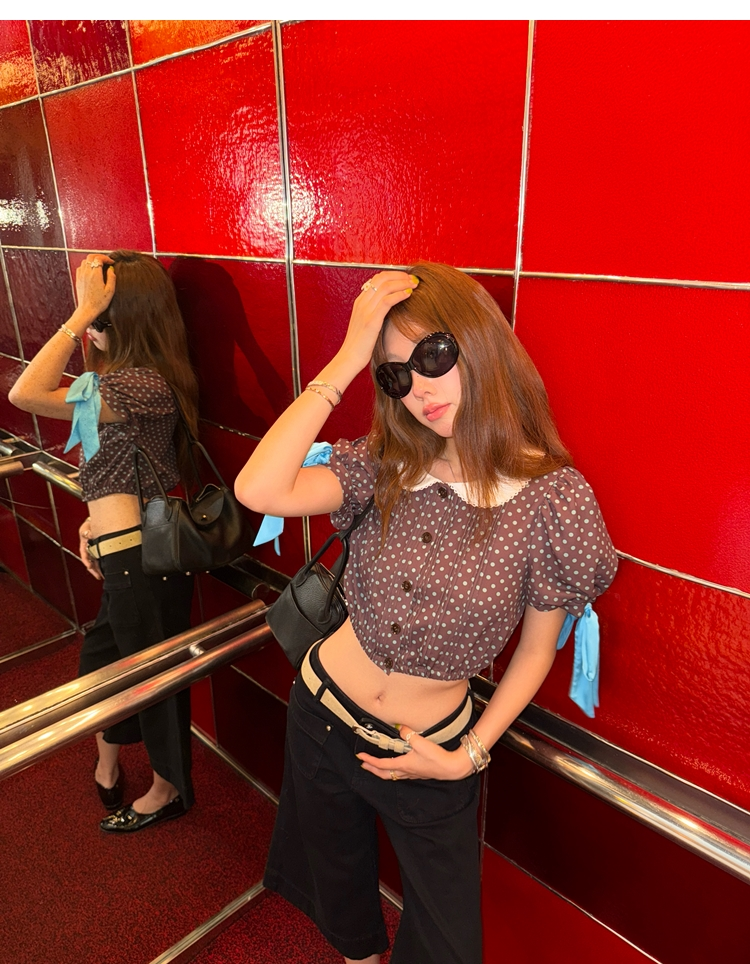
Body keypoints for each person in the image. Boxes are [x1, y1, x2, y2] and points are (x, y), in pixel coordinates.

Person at [235, 261, 618, 964]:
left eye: (433, 356)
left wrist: (467, 756)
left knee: (447, 945)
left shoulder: (552, 499)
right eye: (394, 374)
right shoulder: (383, 463)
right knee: (340, 896)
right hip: (321, 716)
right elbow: (259, 489)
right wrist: (348, 359)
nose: (418, 388)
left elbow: (538, 650)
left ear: (479, 343)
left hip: (430, 750)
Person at [9, 250, 199, 833]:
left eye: (101, 316)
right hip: (120, 551)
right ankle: (109, 761)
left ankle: (169, 788)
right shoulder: (116, 381)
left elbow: (25, 393)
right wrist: (94, 524)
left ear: (130, 320)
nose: (91, 326)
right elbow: (111, 465)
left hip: (144, 557)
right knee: (104, 663)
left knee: (151, 678)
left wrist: (78, 315)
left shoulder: (143, 384)